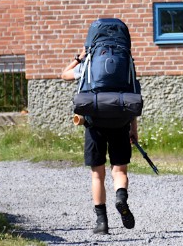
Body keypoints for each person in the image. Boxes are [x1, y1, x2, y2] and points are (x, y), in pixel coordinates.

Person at [62, 53, 138, 235]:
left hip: (94, 123)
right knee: (119, 170)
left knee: (98, 175)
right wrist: (133, 129)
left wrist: (79, 57)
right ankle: (121, 197)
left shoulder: (89, 64)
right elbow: (133, 95)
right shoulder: (124, 63)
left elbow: (64, 74)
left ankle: (102, 223)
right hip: (120, 120)